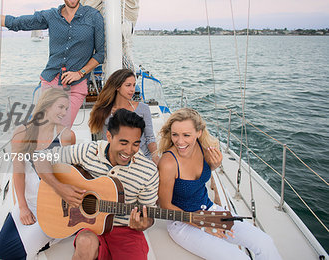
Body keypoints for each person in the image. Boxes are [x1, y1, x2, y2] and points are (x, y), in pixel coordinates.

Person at [157, 108, 282, 260]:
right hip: (182, 222)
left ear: (199, 133)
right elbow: (164, 205)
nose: (179, 141)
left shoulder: (204, 150)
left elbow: (200, 178)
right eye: (175, 134)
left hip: (209, 210)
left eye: (186, 135)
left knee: (265, 243)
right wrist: (202, 223)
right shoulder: (168, 163)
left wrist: (214, 166)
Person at [34, 108, 159, 260]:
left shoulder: (148, 171)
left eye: (136, 144)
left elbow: (149, 214)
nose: (129, 150)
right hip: (89, 226)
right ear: (109, 136)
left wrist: (144, 223)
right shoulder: (88, 151)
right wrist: (60, 188)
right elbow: (40, 157)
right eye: (123, 142)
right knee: (85, 242)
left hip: (126, 230)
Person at [0, 88, 76, 260]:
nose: (64, 112)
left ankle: (55, 234)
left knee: (11, 253)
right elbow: (18, 173)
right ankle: (48, 237)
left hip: (54, 207)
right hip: (29, 203)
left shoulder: (66, 136)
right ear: (46, 105)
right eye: (60, 107)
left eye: (66, 109)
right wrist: (22, 207)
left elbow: (70, 174)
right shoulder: (22, 133)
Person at [88, 68, 159, 164]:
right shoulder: (104, 110)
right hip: (115, 159)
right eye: (128, 85)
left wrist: (155, 156)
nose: (132, 90)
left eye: (134, 85)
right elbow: (105, 139)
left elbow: (150, 137)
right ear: (117, 87)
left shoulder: (143, 108)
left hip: (141, 159)